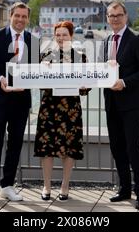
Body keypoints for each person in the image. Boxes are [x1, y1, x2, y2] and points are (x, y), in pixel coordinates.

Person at [0, 2, 39, 205]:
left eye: (24, 17)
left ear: (28, 19)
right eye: (17, 16)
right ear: (10, 16)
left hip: (21, 102)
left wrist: (44, 67)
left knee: (15, 145)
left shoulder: (33, 40)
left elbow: (35, 67)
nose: (21, 20)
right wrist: (0, 79)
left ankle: (7, 186)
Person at [101, 0, 139, 210]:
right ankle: (124, 189)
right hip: (111, 103)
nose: (115, 19)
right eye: (111, 16)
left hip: (131, 103)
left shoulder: (136, 39)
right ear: (107, 18)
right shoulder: (105, 41)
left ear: (126, 16)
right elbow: (103, 71)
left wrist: (124, 82)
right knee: (117, 148)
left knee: (133, 148)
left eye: (119, 15)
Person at [34, 21, 90, 201]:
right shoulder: (45, 56)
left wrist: (84, 85)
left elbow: (86, 87)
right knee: (47, 148)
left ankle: (65, 186)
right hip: (49, 107)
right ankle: (47, 186)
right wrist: (45, 72)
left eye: (64, 34)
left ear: (71, 36)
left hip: (71, 109)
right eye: (58, 34)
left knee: (70, 148)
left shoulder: (81, 57)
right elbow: (37, 83)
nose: (61, 38)